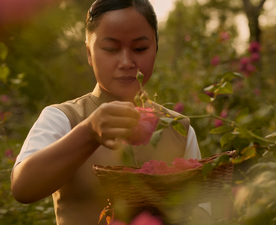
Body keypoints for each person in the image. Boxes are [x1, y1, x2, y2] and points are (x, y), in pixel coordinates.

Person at [11, 0, 210, 224]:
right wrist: (88, 133)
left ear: (156, 49)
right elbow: (22, 188)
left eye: (140, 49)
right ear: (89, 52)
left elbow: (205, 211)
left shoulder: (178, 128)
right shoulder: (63, 118)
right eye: (111, 49)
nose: (126, 62)